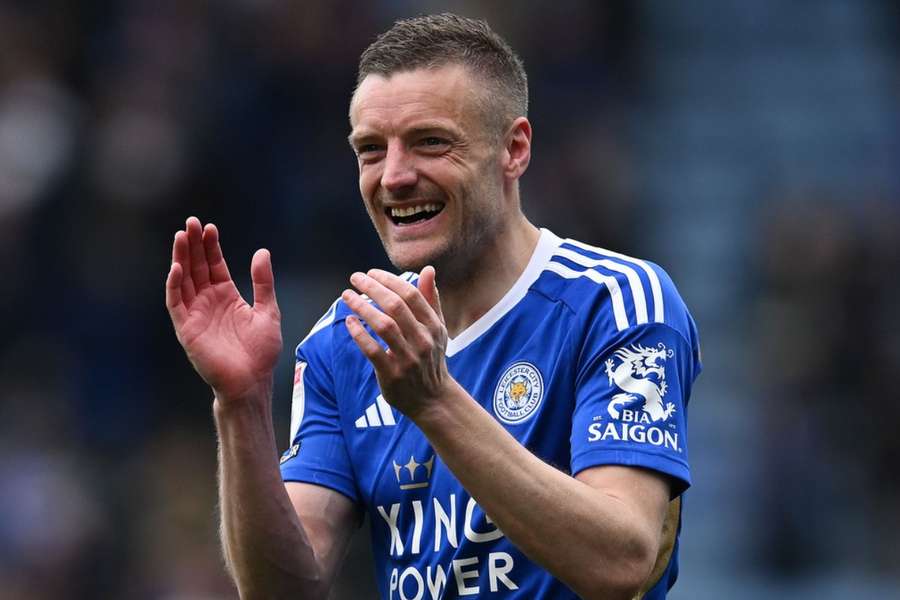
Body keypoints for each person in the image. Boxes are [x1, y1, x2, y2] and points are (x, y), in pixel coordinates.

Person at [166, 13, 701, 600]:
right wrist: (240, 405)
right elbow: (285, 591)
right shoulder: (344, 343)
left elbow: (621, 560)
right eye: (371, 150)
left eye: (430, 142)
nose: (393, 176)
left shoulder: (615, 302)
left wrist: (434, 399)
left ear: (514, 149)